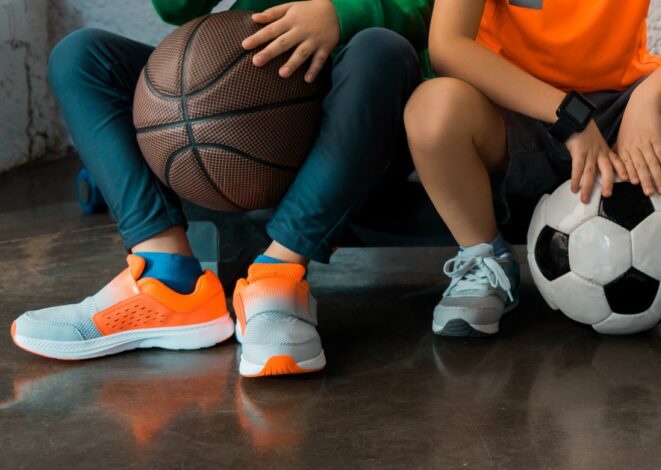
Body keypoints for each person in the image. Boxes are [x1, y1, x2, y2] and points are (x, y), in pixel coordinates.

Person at [10, 0, 431, 378]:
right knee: (81, 56)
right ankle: (167, 278)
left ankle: (278, 280)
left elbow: (431, 12)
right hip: (249, 97)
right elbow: (176, 9)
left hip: (364, 114)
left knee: (381, 48)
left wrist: (342, 14)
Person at [403, 0, 661, 337]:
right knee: (432, 110)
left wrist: (648, 100)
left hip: (626, 107)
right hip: (520, 108)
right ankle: (485, 258)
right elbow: (447, 45)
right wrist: (568, 117)